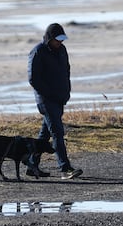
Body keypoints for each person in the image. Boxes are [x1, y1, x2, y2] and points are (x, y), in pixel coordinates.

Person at [28, 23, 83, 179]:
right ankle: (65, 168)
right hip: (46, 100)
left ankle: (32, 165)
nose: (60, 43)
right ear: (50, 38)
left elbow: (66, 71)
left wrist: (66, 92)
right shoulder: (38, 51)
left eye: (62, 39)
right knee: (58, 133)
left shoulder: (62, 50)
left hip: (59, 98)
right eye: (57, 40)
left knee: (44, 135)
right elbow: (33, 79)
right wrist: (49, 94)